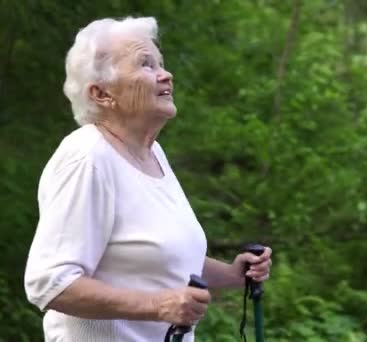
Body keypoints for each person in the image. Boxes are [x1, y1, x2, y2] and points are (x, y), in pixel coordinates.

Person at [23, 16, 272, 341]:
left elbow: (162, 259)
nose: (165, 74)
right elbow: (49, 282)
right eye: (146, 65)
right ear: (101, 93)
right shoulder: (87, 157)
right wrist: (156, 306)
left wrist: (231, 274)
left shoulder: (153, 155)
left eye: (161, 63)